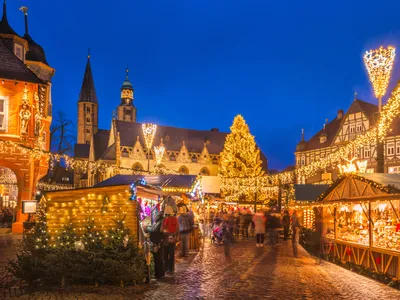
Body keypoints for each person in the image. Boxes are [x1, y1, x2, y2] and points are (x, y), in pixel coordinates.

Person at [145, 212, 165, 279]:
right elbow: (154, 228)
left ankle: (159, 274)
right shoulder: (160, 222)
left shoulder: (160, 222)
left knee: (158, 259)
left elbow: (154, 230)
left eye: (156, 215)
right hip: (157, 242)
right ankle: (160, 273)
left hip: (156, 243)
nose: (155, 217)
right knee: (158, 258)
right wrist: (149, 226)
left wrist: (147, 228)